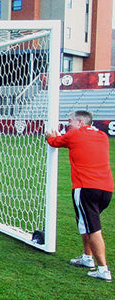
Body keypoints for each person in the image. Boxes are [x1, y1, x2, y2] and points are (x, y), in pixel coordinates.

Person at [46, 110, 113, 282]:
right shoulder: (102, 136)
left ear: (81, 122)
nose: (69, 124)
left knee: (92, 228)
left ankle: (103, 270)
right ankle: (87, 257)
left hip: (86, 188)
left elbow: (53, 141)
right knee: (85, 223)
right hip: (106, 189)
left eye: (71, 121)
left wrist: (49, 136)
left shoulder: (74, 135)